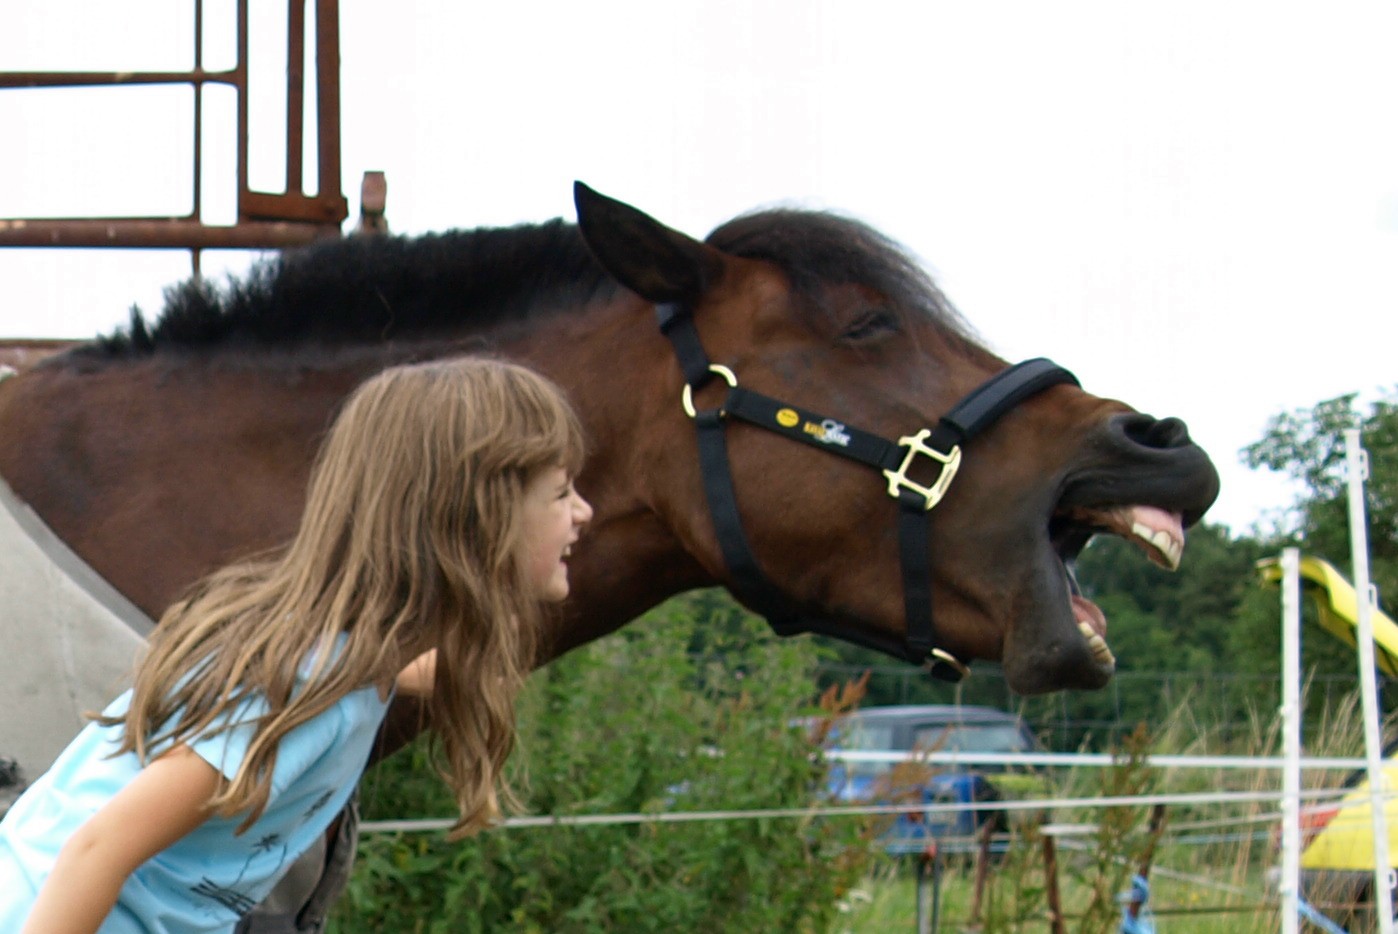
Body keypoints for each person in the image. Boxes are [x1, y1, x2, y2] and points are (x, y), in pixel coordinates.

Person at [0, 357, 593, 932]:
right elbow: (96, 847)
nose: (583, 513)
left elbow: (391, 671)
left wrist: (463, 660)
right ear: (475, 519)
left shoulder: (359, 661)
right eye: (562, 492)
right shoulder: (303, 685)